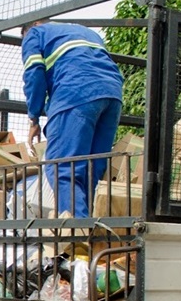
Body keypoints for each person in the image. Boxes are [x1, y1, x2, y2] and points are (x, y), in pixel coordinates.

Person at [22, 20, 124, 218]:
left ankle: (77, 235)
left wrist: (34, 118)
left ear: (34, 25)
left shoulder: (34, 34)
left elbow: (34, 74)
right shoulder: (86, 32)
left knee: (63, 168)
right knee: (92, 169)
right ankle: (94, 229)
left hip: (75, 93)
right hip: (112, 96)